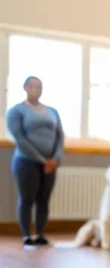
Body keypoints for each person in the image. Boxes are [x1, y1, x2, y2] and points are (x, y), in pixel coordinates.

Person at [6, 76, 64, 247]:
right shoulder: (16, 111)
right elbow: (19, 138)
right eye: (32, 86)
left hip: (50, 164)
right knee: (27, 198)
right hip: (26, 161)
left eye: (39, 86)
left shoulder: (53, 111)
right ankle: (26, 236)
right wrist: (41, 160)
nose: (35, 89)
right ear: (25, 88)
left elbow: (59, 136)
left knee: (43, 199)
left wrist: (55, 159)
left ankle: (40, 234)